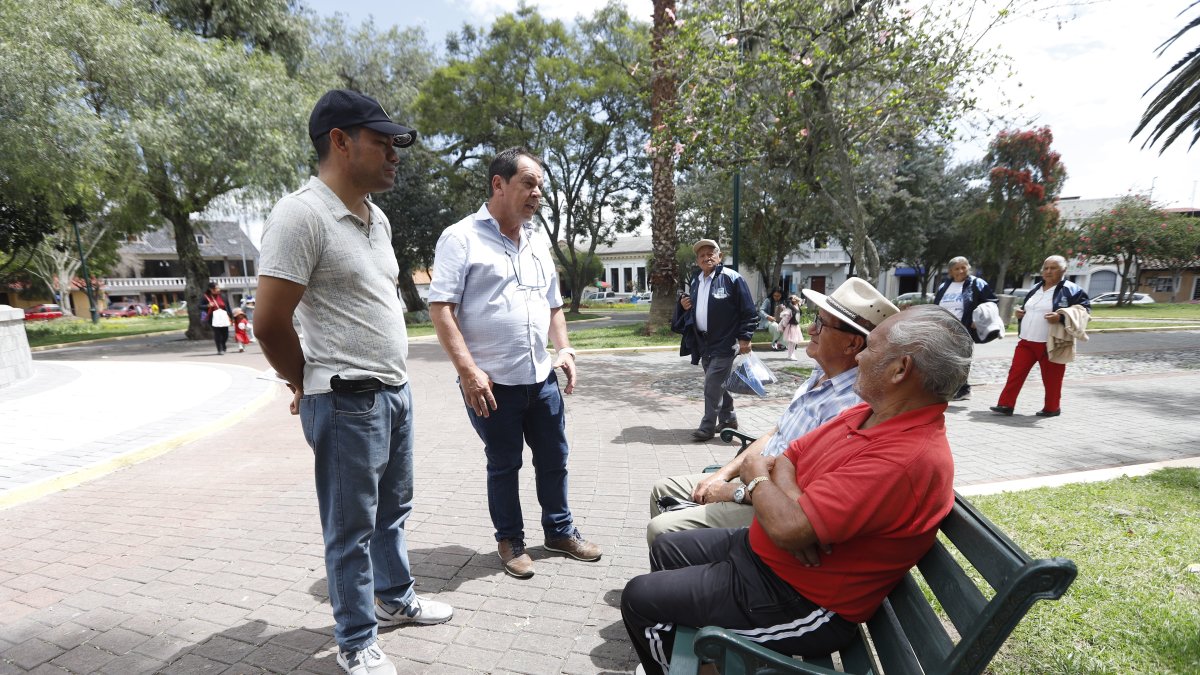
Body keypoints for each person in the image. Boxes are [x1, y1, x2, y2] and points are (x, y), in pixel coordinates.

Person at [622, 305, 973, 675]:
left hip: (803, 602)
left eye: (869, 347)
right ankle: (702, 663)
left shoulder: (905, 458)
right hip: (767, 560)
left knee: (641, 600)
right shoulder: (870, 414)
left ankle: (690, 664)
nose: (861, 355)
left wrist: (758, 475)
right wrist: (788, 499)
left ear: (900, 370)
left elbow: (788, 524)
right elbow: (790, 456)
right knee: (666, 546)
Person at [254, 88, 452, 675]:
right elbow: (268, 322)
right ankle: (356, 640)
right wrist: (301, 382)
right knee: (350, 529)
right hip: (345, 402)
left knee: (393, 511)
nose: (395, 153)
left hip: (393, 392)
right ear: (340, 141)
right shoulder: (301, 215)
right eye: (382, 142)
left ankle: (394, 599)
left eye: (396, 144)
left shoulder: (377, 217)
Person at [428, 147, 601, 581]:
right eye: (528, 183)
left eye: (540, 185)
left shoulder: (539, 242)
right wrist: (468, 371)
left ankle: (559, 532)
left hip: (540, 379)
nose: (537, 193)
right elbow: (442, 308)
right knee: (504, 463)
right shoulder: (460, 237)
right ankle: (510, 539)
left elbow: (554, 306)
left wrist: (565, 350)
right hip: (491, 383)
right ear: (499, 184)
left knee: (555, 457)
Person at [647, 277, 898, 545]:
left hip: (770, 501)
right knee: (661, 489)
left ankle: (689, 578)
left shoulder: (852, 405)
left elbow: (803, 491)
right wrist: (722, 473)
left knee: (662, 530)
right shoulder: (820, 375)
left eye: (822, 324)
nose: (811, 328)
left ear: (852, 345)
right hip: (754, 480)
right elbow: (776, 431)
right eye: (815, 317)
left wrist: (732, 491)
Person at [672, 239, 759, 441]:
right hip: (704, 343)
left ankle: (707, 426)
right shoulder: (696, 281)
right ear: (697, 260)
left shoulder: (732, 278)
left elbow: (749, 311)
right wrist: (685, 306)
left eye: (711, 253)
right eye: (702, 255)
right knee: (719, 383)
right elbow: (696, 309)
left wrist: (745, 337)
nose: (706, 257)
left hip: (726, 342)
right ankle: (728, 420)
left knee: (712, 384)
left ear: (719, 257)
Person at [991, 255, 1091, 418]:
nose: (1048, 271)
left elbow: (1084, 311)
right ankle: (1005, 404)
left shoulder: (1072, 290)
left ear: (1064, 270)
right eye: (1046, 268)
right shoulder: (1036, 288)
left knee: (1052, 378)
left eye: (1053, 268)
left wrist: (1061, 318)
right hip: (1027, 341)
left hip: (1051, 342)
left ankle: (1052, 408)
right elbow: (1029, 308)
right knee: (1015, 373)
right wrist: (1021, 314)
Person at [932, 256, 997, 400]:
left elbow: (991, 301)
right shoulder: (944, 286)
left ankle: (964, 390)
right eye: (957, 268)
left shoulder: (977, 283)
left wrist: (978, 318)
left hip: (963, 327)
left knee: (960, 360)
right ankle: (948, 388)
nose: (961, 271)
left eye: (964, 267)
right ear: (950, 271)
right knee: (944, 359)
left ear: (968, 268)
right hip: (944, 328)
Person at [201, 282, 231, 355]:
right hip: (213, 317)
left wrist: (231, 317)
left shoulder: (223, 296)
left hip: (223, 316)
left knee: (225, 334)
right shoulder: (205, 297)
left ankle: (223, 344)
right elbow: (199, 306)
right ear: (211, 289)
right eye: (216, 288)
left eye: (218, 288)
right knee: (218, 333)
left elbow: (228, 307)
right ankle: (219, 349)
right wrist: (208, 305)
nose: (218, 289)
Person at [778, 294, 806, 360]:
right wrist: (784, 325)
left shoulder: (796, 307)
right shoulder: (790, 309)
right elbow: (786, 318)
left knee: (793, 342)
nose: (797, 300)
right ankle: (790, 355)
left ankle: (791, 354)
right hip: (791, 327)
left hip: (795, 326)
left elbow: (801, 302)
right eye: (794, 299)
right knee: (791, 342)